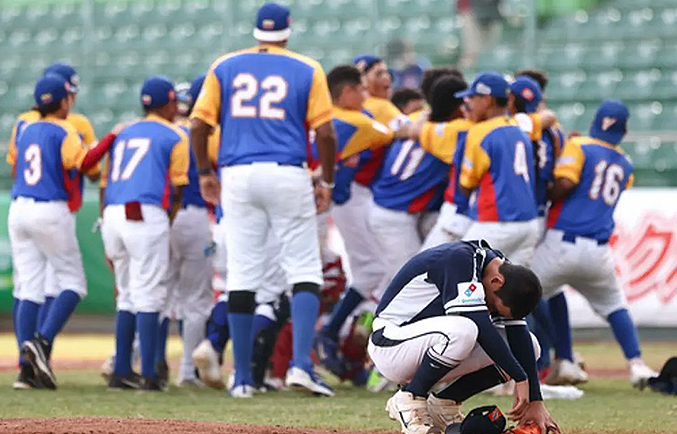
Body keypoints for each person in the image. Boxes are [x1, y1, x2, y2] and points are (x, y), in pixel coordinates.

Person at [190, 2, 337, 398]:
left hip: (237, 174)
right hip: (287, 170)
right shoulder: (307, 68)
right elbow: (325, 134)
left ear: (257, 31)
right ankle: (301, 367)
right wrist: (327, 179)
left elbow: (198, 124)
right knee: (304, 269)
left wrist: (205, 172)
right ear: (287, 30)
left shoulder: (225, 65)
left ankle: (240, 378)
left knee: (242, 273)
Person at [369, 240, 559, 434]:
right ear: (496, 282)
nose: (491, 310)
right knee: (466, 329)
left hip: (429, 345)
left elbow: (519, 336)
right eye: (493, 306)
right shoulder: (460, 258)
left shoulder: (501, 272)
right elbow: (480, 325)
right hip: (391, 345)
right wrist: (519, 377)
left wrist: (535, 400)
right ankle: (409, 398)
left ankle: (444, 405)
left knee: (531, 346)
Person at [530, 100, 658, 387]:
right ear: (623, 130)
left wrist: (542, 190)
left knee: (519, 297)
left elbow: (565, 184)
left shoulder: (580, 146)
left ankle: (529, 370)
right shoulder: (626, 162)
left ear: (595, 121)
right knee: (615, 306)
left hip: (559, 242)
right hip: (597, 250)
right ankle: (636, 365)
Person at [10, 74, 112, 390]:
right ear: (63, 100)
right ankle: (41, 343)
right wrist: (110, 140)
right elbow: (85, 163)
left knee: (28, 288)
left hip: (19, 208)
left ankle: (26, 371)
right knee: (74, 283)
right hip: (49, 209)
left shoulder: (24, 128)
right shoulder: (65, 129)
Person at [101, 76, 189, 391]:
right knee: (150, 293)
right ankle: (151, 373)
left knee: (126, 294)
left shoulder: (123, 131)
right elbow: (178, 187)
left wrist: (104, 219)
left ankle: (121, 370)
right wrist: (167, 219)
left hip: (112, 212)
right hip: (144, 211)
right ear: (168, 104)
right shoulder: (175, 133)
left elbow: (103, 183)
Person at [314, 64, 399, 377]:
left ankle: (342, 344)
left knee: (369, 273)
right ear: (346, 91)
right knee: (374, 271)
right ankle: (329, 334)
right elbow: (392, 132)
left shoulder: (331, 115)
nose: (365, 94)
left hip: (336, 198)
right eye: (361, 88)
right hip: (344, 198)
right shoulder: (356, 117)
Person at [369, 75, 470, 280]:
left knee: (421, 274)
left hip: (401, 207)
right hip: (394, 213)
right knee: (411, 281)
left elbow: (402, 130)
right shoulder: (456, 131)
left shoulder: (419, 117)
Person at [457, 72, 539, 267]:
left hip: (496, 222)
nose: (469, 103)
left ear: (487, 100)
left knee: (460, 272)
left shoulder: (480, 132)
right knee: (511, 292)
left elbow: (466, 185)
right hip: (529, 223)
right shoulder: (518, 129)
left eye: (474, 98)